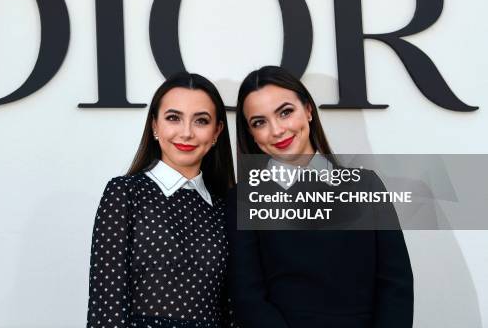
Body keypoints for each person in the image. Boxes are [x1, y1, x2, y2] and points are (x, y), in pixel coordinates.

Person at [227, 65, 413, 328]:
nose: (277, 130)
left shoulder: (366, 185)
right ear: (251, 134)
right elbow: (248, 298)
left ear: (308, 110)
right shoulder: (243, 200)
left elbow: (396, 284)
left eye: (285, 112)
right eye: (260, 122)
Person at [86, 72, 236, 328]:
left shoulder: (226, 206)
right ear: (155, 125)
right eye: (173, 118)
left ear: (216, 132)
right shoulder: (125, 193)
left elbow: (233, 309)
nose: (186, 133)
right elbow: (106, 305)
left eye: (201, 121)